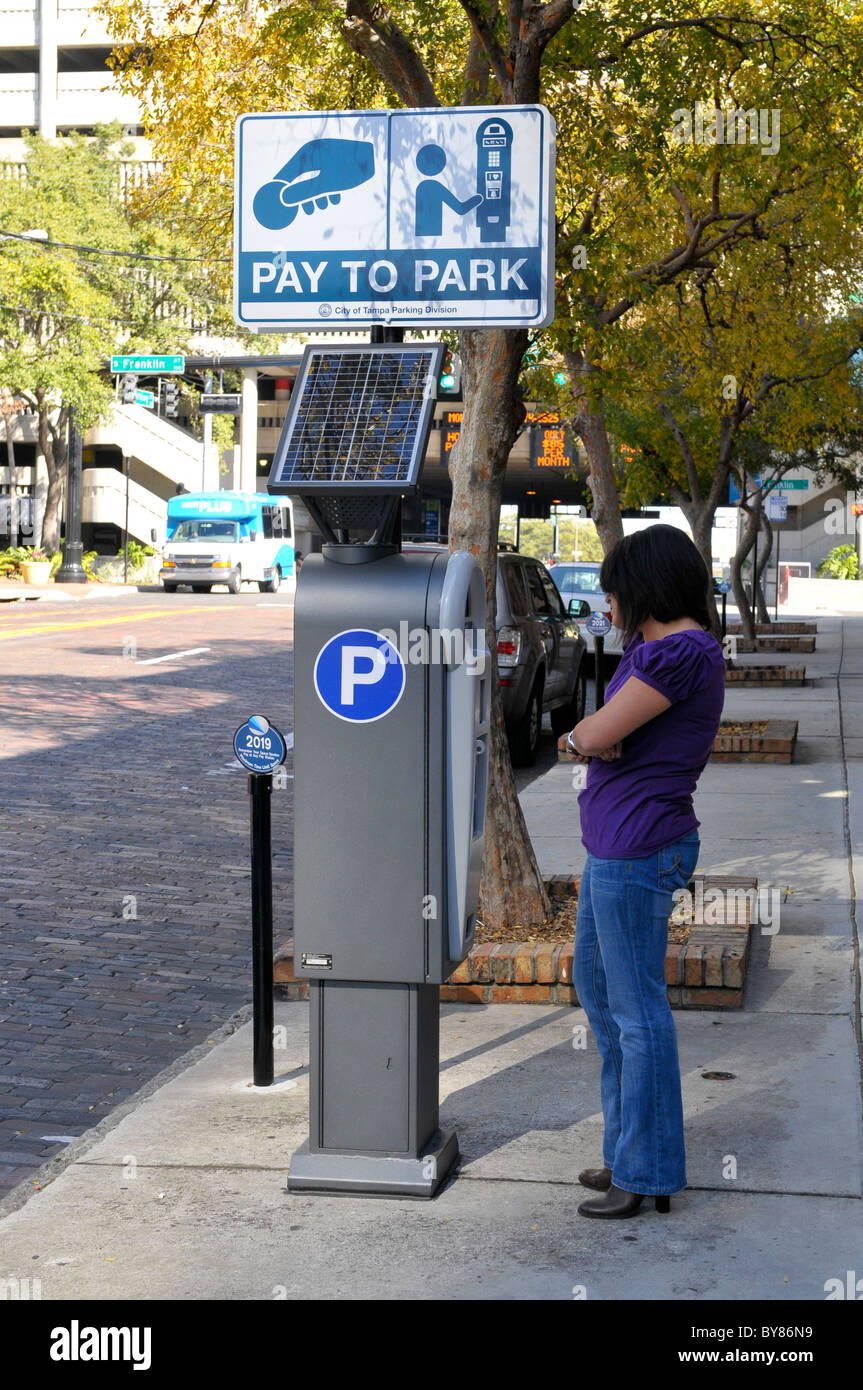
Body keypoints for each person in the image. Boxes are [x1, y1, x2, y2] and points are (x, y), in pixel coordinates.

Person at [558, 524, 726, 1219]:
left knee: (635, 1015)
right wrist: (599, 738)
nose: (608, 604)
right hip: (616, 847)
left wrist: (579, 739)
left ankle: (648, 1171)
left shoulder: (680, 651)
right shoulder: (656, 649)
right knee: (602, 1001)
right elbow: (609, 735)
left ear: (643, 586)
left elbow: (595, 734)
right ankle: (628, 1150)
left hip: (638, 848)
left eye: (613, 590)